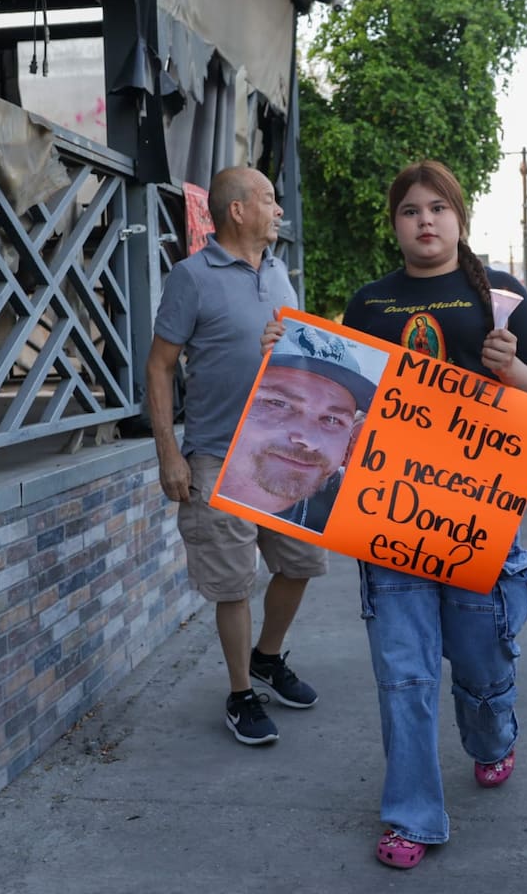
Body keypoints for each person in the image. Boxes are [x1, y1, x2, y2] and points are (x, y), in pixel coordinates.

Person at [337, 160, 527, 869]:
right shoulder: (370, 304)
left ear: (460, 219)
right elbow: (345, 396)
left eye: (437, 209)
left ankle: (494, 737)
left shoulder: (502, 298)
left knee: (481, 661)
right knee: (403, 671)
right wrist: (290, 357)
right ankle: (412, 817)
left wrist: (512, 371)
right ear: (395, 224)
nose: (424, 221)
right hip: (389, 514)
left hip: (477, 516)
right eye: (409, 211)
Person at [145, 166, 325, 746]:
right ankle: (241, 692)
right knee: (232, 584)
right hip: (217, 456)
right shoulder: (191, 277)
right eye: (270, 200)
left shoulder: (279, 274)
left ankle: (268, 657)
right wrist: (168, 451)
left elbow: (294, 360)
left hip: (278, 454)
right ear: (238, 211)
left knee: (300, 563)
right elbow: (160, 365)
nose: (279, 210)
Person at [217, 320, 377, 533]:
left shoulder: (353, 503)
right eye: (278, 403)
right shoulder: (212, 496)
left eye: (332, 419)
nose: (308, 439)